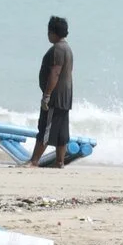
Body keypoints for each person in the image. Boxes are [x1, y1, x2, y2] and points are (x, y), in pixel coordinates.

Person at [27, 16, 74, 169]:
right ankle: (59, 162)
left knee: (45, 127)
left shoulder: (58, 49)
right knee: (61, 131)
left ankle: (34, 161)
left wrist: (47, 95)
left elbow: (55, 72)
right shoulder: (67, 48)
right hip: (65, 96)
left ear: (53, 33)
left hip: (55, 96)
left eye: (49, 32)